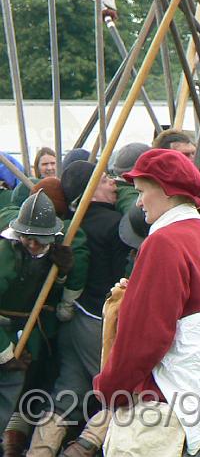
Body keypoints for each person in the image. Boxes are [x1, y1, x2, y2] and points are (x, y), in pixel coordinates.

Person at [94, 149, 200, 457]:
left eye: (141, 191)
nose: (138, 202)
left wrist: (110, 387)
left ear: (164, 190)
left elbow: (146, 336)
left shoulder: (165, 241)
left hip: (162, 402)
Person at [27, 161, 131, 455]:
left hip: (71, 322)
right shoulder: (116, 225)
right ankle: (79, 451)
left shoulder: (68, 225)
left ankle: (39, 452)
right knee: (122, 396)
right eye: (106, 180)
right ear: (90, 190)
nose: (114, 184)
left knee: (65, 395)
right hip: (99, 322)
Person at [0, 191, 75, 456]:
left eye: (39, 240)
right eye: (27, 238)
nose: (32, 244)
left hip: (26, 331)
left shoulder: (53, 251)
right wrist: (5, 354)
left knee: (18, 392)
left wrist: (62, 276)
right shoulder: (4, 254)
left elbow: (49, 299)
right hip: (3, 334)